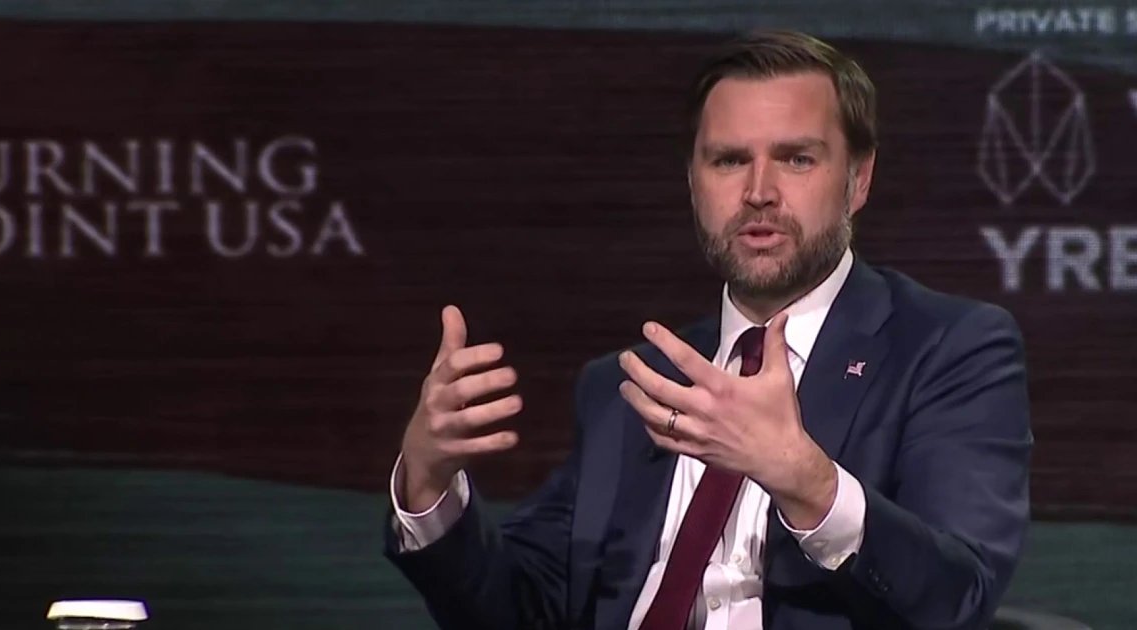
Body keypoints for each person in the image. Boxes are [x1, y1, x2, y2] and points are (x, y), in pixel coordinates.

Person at [382, 29, 1032, 630]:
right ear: (693, 182)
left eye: (796, 159)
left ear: (858, 180)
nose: (758, 191)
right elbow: (520, 611)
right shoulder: (629, 387)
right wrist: (428, 485)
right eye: (728, 160)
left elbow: (959, 596)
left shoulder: (948, 349)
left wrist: (808, 481)